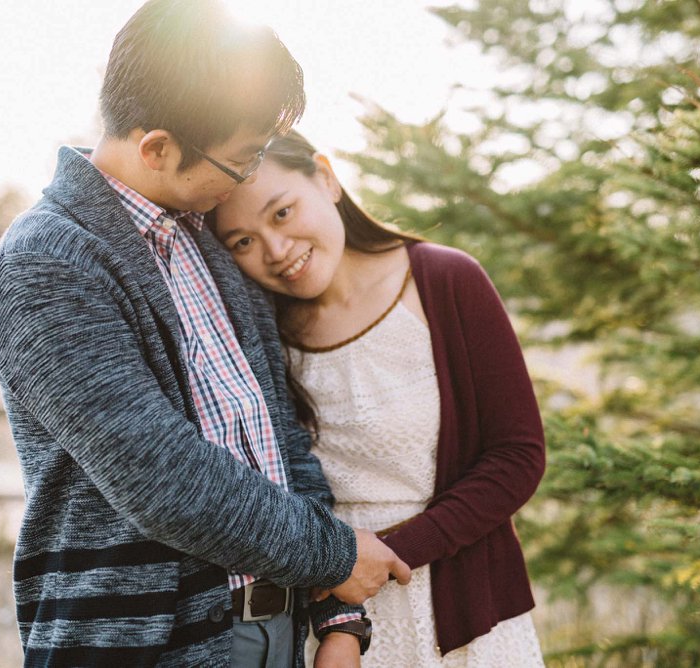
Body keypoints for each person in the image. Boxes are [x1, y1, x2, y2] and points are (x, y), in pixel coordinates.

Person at [0, 3, 409, 666]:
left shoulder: (209, 242)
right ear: (157, 148)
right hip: (146, 644)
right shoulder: (47, 262)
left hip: (275, 634)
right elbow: (159, 475)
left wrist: (337, 612)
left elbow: (281, 439)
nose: (248, 176)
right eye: (242, 160)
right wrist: (336, 554)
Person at [209, 130, 548, 667]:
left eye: (281, 213)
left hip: (461, 609)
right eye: (242, 242)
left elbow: (517, 457)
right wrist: (339, 607)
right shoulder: (256, 331)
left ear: (326, 178)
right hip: (330, 624)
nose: (275, 250)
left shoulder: (445, 280)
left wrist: (391, 555)